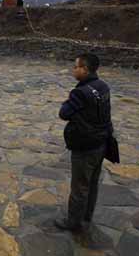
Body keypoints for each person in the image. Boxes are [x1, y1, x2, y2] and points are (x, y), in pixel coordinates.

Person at [55, 53, 113, 232]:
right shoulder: (103, 86)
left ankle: (73, 222)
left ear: (85, 69)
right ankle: (87, 215)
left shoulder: (80, 92)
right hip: (101, 142)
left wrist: (68, 100)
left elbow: (63, 113)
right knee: (92, 182)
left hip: (85, 145)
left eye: (76, 67)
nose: (74, 70)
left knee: (80, 185)